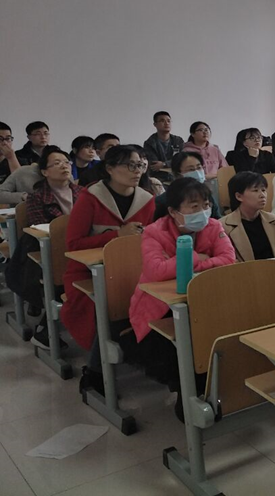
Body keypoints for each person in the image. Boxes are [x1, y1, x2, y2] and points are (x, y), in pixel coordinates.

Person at [128, 177, 234, 412]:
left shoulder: (213, 226)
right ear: (173, 212)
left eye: (206, 205)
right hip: (159, 309)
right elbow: (157, 271)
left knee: (219, 336)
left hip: (203, 302)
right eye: (194, 207)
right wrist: (196, 257)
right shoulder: (154, 232)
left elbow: (228, 260)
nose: (203, 212)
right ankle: (187, 399)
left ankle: (214, 391)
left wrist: (187, 264)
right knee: (180, 347)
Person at [61, 145, 156, 397]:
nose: (137, 171)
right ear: (110, 168)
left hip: (131, 270)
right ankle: (94, 371)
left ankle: (147, 356)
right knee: (108, 305)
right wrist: (116, 236)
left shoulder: (146, 199)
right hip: (87, 273)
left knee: (153, 298)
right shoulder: (91, 198)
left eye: (140, 165)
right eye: (130, 165)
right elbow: (73, 244)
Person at [24, 146, 84, 348]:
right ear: (45, 171)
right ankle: (46, 329)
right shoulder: (37, 197)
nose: (64, 166)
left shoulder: (83, 193)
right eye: (57, 163)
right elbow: (40, 229)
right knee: (69, 275)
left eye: (67, 162)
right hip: (53, 250)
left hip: (81, 247)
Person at [220, 172, 275, 262]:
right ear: (239, 196)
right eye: (255, 190)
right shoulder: (223, 226)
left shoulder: (274, 220)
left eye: (263, 190)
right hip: (246, 271)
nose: (262, 195)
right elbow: (228, 261)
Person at [153, 152, 221, 220]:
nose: (197, 172)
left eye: (199, 167)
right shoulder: (163, 201)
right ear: (177, 174)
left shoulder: (206, 195)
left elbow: (217, 219)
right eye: (191, 169)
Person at [143, 111, 184, 183]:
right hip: (158, 179)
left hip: (177, 177)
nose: (166, 123)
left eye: (168, 121)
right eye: (162, 121)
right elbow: (154, 166)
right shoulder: (150, 143)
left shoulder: (178, 140)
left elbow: (181, 159)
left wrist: (164, 164)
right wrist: (171, 164)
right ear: (155, 124)